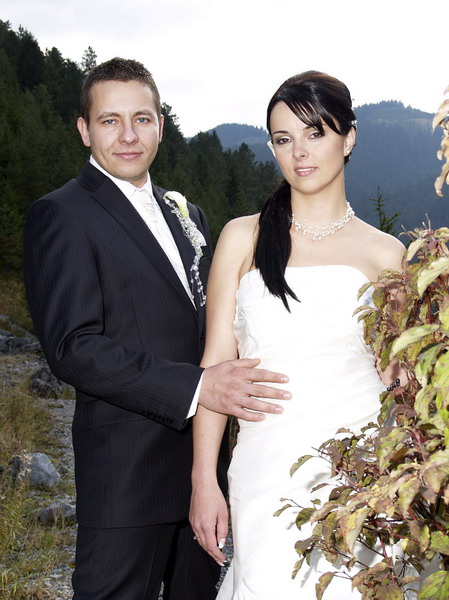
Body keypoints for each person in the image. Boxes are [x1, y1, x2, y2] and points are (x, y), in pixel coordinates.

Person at [22, 57, 292, 600]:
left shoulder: (186, 214)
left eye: (142, 119)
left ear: (161, 126)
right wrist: (198, 386)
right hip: (127, 481)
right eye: (110, 120)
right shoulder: (61, 214)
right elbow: (73, 347)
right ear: (84, 130)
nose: (128, 135)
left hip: (203, 477)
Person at [189, 70, 405, 599]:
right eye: (283, 139)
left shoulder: (386, 254)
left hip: (364, 472)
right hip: (266, 468)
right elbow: (215, 365)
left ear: (348, 137)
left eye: (315, 132)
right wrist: (203, 479)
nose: (300, 152)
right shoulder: (242, 238)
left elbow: (400, 381)